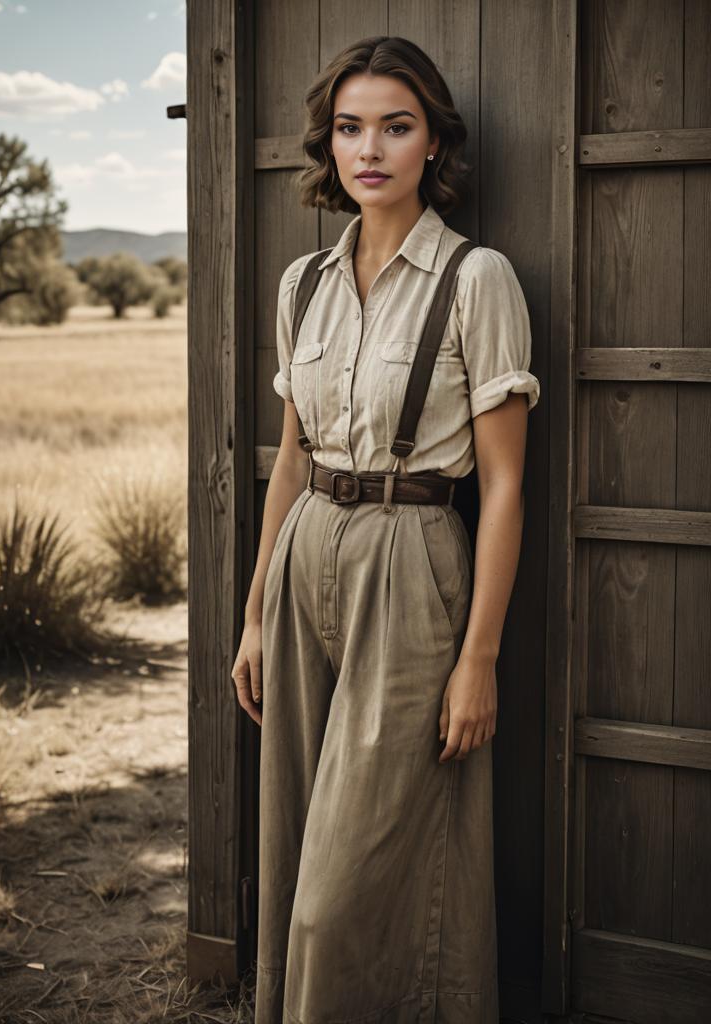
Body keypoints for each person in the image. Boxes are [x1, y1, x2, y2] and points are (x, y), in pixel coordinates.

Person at [231, 35, 540, 1024]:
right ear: (329, 141)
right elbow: (290, 458)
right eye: (350, 126)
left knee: (345, 880)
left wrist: (479, 657)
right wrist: (253, 616)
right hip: (305, 549)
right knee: (293, 844)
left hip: (412, 567)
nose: (370, 147)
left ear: (432, 145)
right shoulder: (303, 285)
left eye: (396, 127)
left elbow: (501, 487)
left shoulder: (477, 279)